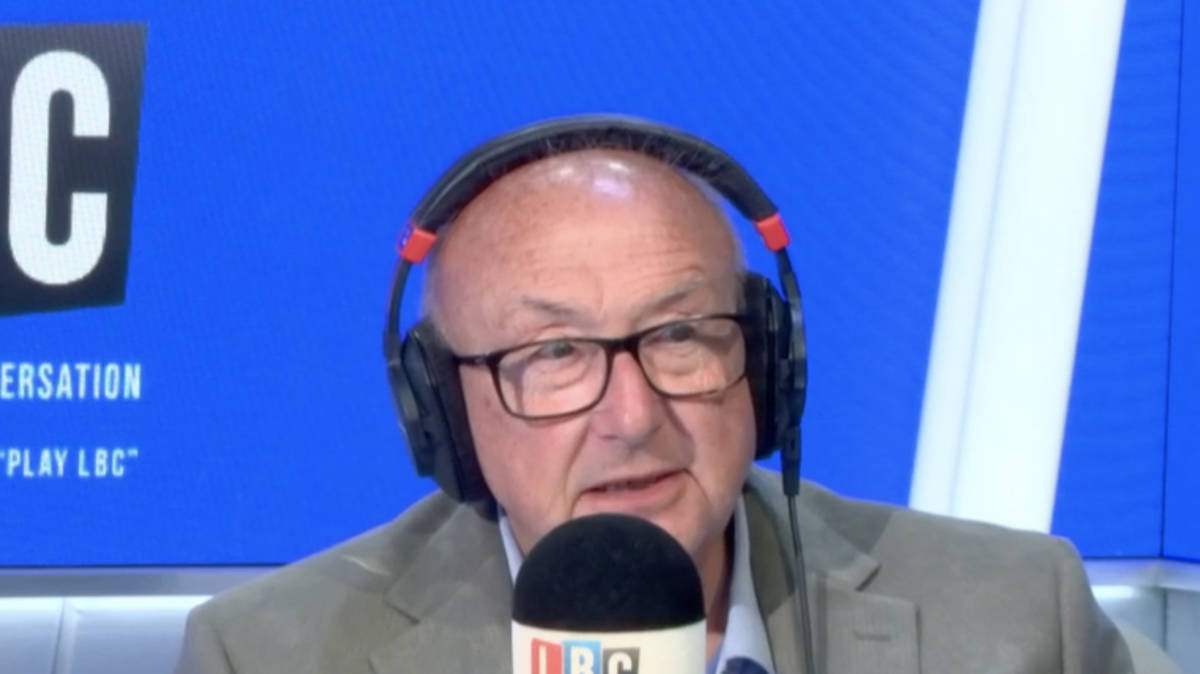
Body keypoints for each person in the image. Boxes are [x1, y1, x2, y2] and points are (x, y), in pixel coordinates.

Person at [176, 118, 1141, 674]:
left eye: (680, 335)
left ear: (764, 362)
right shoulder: (268, 657)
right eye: (555, 353)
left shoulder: (1021, 623)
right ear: (444, 412)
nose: (632, 418)